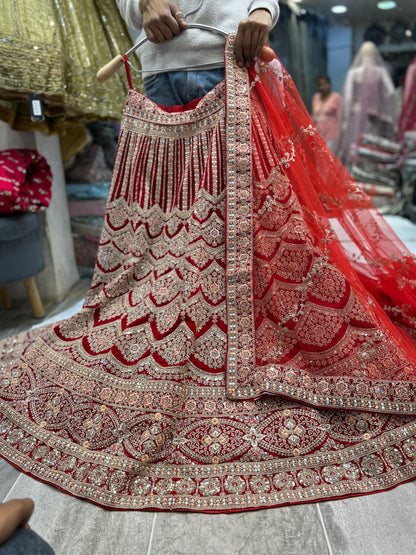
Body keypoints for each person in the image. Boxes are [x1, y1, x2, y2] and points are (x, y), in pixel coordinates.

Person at [2, 1, 416, 514]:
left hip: (225, 60)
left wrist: (263, 11)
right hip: (156, 71)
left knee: (258, 239)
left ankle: (244, 347)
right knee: (161, 250)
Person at [338, 41, 397, 165]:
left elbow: (348, 97)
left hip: (357, 113)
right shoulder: (380, 71)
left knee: (356, 147)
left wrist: (346, 117)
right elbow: (391, 91)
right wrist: (379, 100)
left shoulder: (353, 72)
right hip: (374, 114)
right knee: (372, 149)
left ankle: (356, 175)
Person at [311, 74, 341, 152]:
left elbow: (340, 117)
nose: (323, 87)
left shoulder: (336, 97)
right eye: (320, 85)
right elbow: (313, 115)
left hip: (331, 135)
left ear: (329, 84)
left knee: (329, 160)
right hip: (317, 135)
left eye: (325, 84)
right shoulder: (316, 97)